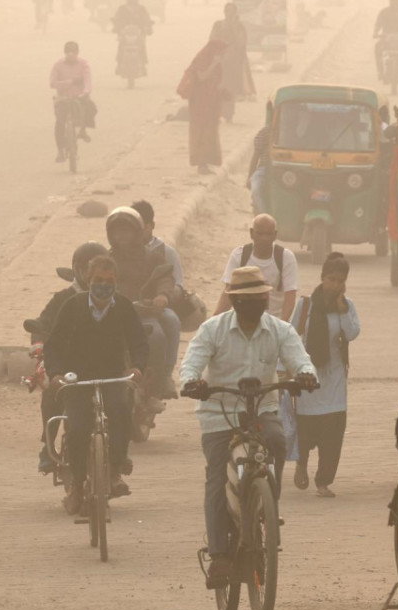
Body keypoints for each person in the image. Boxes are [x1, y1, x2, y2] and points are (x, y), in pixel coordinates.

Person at [180, 265, 318, 588]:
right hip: (218, 414)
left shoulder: (280, 330)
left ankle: (266, 506)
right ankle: (219, 557)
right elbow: (191, 364)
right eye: (248, 300)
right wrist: (192, 382)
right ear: (234, 301)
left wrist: (306, 374)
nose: (256, 305)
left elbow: (300, 358)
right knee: (216, 477)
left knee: (278, 441)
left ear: (268, 297)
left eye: (261, 298)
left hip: (262, 409)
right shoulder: (212, 330)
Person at [44, 255, 148, 512]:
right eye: (98, 280)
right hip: (76, 378)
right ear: (88, 280)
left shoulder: (123, 306)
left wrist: (137, 367)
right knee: (77, 427)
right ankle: (77, 485)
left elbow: (139, 342)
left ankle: (115, 467)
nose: (103, 285)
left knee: (121, 410)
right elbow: (54, 345)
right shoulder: (72, 306)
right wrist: (56, 374)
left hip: (112, 375)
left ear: (116, 282)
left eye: (109, 281)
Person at [290, 253, 360, 498]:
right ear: (322, 278)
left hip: (334, 378)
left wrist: (342, 311)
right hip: (308, 377)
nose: (336, 285)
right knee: (306, 430)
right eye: (332, 279)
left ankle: (323, 481)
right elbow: (292, 336)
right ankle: (301, 464)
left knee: (332, 432)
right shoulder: (306, 304)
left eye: (341, 281)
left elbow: (352, 334)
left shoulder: (347, 305)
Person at [35, 241, 107, 474]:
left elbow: (130, 329)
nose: (90, 273)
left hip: (105, 364)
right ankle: (48, 447)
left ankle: (117, 461)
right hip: (67, 366)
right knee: (51, 392)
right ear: (76, 269)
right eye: (85, 267)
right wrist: (38, 344)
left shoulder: (114, 298)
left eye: (96, 267)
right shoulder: (62, 299)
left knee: (122, 402)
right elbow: (42, 325)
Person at [106, 207, 176, 399]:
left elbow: (165, 277)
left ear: (137, 232)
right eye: (117, 231)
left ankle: (157, 386)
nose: (122, 236)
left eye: (126, 231)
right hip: (114, 314)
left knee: (158, 338)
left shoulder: (152, 256)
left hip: (145, 312)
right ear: (110, 234)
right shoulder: (106, 259)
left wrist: (162, 295)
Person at [133, 200, 183, 399]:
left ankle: (165, 374)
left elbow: (176, 283)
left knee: (171, 320)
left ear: (150, 226)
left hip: (155, 306)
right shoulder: (120, 251)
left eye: (140, 227)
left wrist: (163, 297)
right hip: (127, 305)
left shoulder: (165, 252)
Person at [215, 214, 299, 322]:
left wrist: (282, 326)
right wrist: (215, 320)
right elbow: (229, 292)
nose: (264, 238)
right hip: (242, 320)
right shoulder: (239, 255)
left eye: (268, 234)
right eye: (259, 233)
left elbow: (290, 295)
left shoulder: (285, 257)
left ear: (275, 235)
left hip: (273, 321)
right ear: (251, 233)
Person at [179, 40, 226, 175]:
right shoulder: (203, 60)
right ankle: (201, 164)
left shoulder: (215, 61)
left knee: (210, 131)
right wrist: (214, 63)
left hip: (210, 102)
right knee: (201, 131)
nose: (222, 55)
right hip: (200, 103)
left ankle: (206, 163)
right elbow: (202, 76)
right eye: (221, 52)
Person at [50, 42, 98, 164]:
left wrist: (86, 91)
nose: (71, 55)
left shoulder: (83, 64)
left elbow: (87, 79)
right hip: (63, 98)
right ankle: (60, 150)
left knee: (92, 109)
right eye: (68, 52)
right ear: (65, 53)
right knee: (60, 122)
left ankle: (82, 130)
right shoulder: (58, 65)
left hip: (79, 97)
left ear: (77, 53)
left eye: (73, 52)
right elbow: (52, 83)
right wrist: (67, 82)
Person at [210, 3, 255, 123]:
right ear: (224, 12)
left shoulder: (239, 27)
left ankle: (228, 115)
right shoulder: (218, 25)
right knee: (218, 87)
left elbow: (241, 43)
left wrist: (234, 26)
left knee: (230, 89)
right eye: (227, 11)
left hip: (233, 64)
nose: (229, 13)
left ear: (235, 13)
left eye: (231, 11)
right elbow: (212, 41)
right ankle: (218, 113)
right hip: (219, 63)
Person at [113, 0, 153, 77]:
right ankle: (119, 63)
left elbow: (147, 19)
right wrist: (116, 27)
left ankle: (143, 64)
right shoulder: (122, 9)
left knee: (142, 47)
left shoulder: (141, 9)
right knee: (121, 47)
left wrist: (149, 27)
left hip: (139, 35)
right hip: (125, 34)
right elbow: (116, 19)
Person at [246, 115, 271, 214]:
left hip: (287, 169)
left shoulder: (292, 131)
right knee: (256, 189)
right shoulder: (265, 132)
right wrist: (250, 177)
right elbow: (255, 156)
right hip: (265, 168)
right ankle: (264, 214)